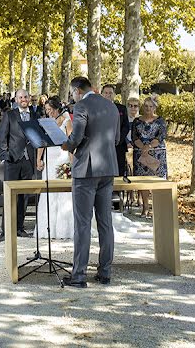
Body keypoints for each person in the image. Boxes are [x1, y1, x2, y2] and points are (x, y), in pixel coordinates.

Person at [60, 76, 120, 288]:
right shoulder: (111, 106)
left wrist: (66, 146)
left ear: (77, 90)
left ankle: (79, 275)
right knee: (105, 223)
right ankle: (105, 273)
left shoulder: (82, 105)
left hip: (86, 170)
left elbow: (76, 137)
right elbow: (117, 139)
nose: (72, 96)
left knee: (83, 223)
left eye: (72, 92)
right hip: (108, 169)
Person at [0, 89, 37, 242]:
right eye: (21, 97)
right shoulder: (9, 115)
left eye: (26, 96)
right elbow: (2, 137)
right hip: (12, 160)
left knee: (24, 197)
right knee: (9, 196)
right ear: (16, 99)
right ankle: (6, 231)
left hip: (28, 161)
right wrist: (5, 157)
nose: (24, 99)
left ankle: (19, 228)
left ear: (29, 98)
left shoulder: (34, 115)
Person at [36, 96, 74, 239]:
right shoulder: (46, 123)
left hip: (62, 158)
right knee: (48, 192)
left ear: (57, 108)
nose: (49, 112)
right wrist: (39, 159)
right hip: (49, 159)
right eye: (46, 110)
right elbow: (41, 142)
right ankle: (47, 228)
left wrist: (72, 162)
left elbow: (71, 143)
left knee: (64, 193)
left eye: (50, 109)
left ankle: (64, 229)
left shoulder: (67, 121)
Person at [131, 96, 168, 217]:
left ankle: (157, 208)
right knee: (142, 182)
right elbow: (134, 137)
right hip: (140, 155)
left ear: (155, 107)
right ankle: (145, 207)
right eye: (146, 106)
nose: (148, 108)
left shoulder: (160, 121)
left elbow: (161, 137)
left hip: (157, 154)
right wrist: (143, 148)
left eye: (151, 106)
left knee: (157, 182)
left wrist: (149, 147)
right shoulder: (137, 121)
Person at [101, 84, 130, 177]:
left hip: (118, 146)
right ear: (102, 94)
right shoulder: (97, 109)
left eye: (110, 93)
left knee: (119, 171)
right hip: (102, 147)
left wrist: (119, 139)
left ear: (114, 95)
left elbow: (126, 126)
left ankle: (118, 191)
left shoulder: (121, 108)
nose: (108, 95)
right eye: (106, 93)